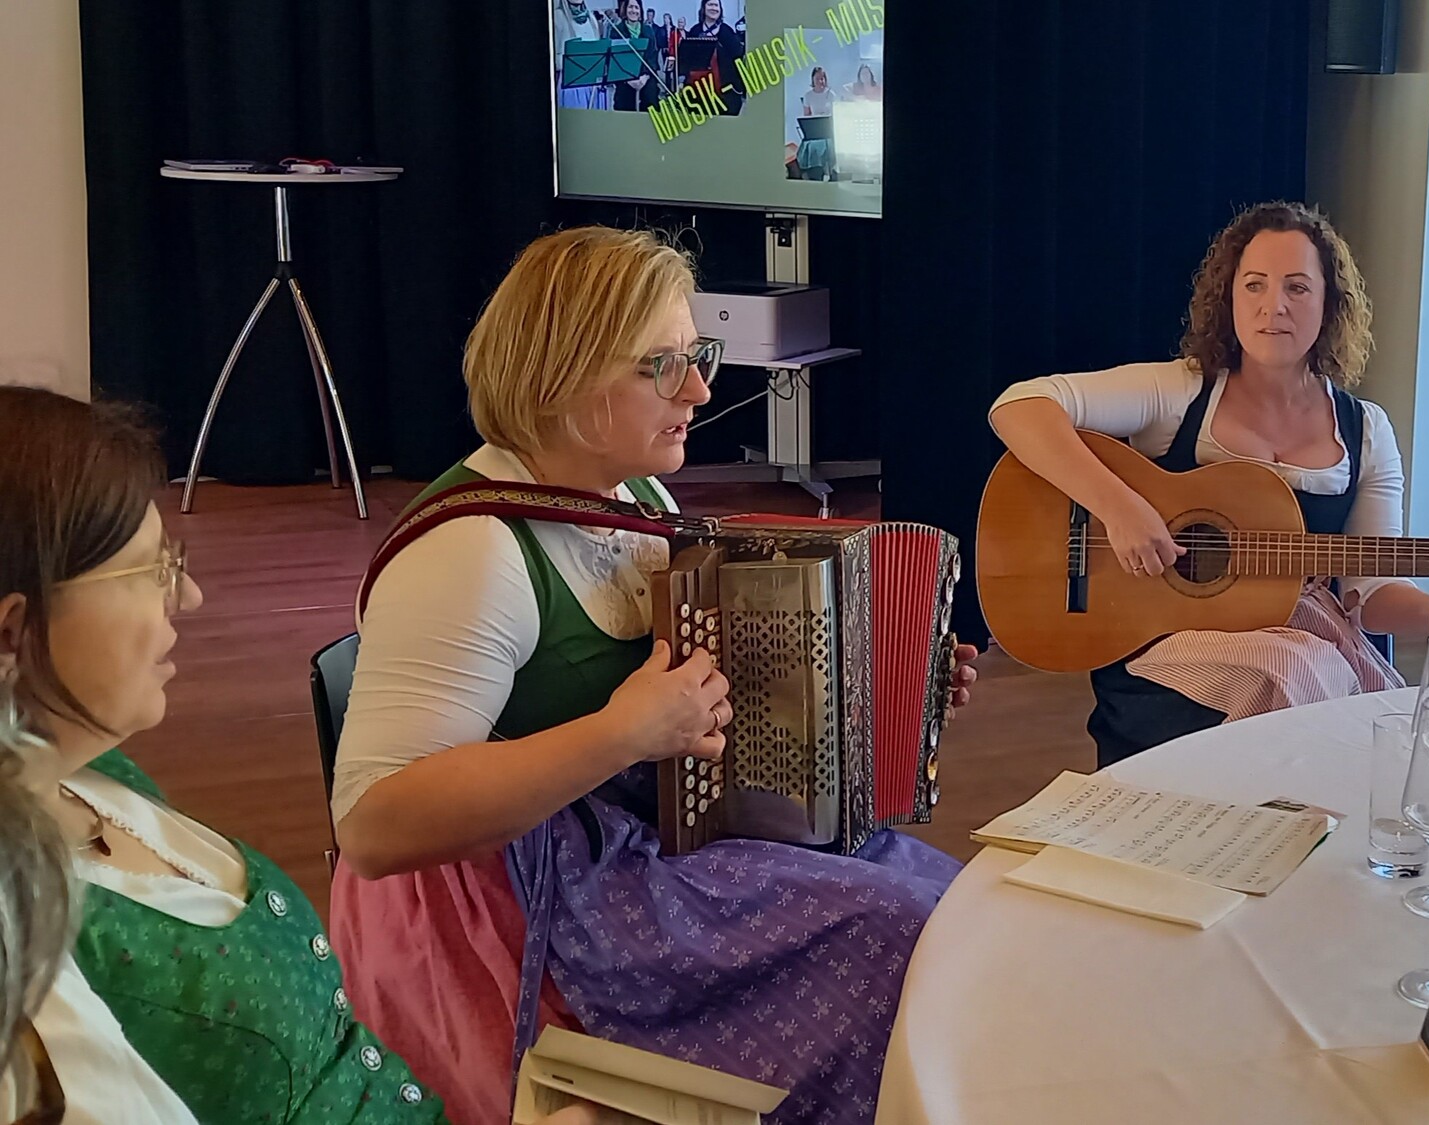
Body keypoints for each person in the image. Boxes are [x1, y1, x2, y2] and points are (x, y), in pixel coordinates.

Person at [330, 226, 977, 1125]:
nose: (701, 391)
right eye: (662, 366)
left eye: (696, 356)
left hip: (644, 829)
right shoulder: (470, 553)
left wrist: (883, 680)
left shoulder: (637, 495)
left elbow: (703, 689)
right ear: (562, 377)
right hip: (527, 896)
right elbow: (373, 826)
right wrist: (624, 732)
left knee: (957, 908)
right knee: (896, 937)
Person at [0, 386, 449, 1122]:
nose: (189, 596)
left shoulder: (89, 769)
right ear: (11, 633)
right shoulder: (29, 959)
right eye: (148, 572)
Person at [989, 201, 1429, 767]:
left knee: (1306, 662)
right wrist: (1120, 507)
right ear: (1228, 297)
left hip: (1303, 640)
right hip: (1170, 639)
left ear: (1330, 303)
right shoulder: (1180, 392)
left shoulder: (1365, 430)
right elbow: (1019, 407)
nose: (1273, 306)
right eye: (1254, 285)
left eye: (1297, 288)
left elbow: (1371, 594)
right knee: (1295, 666)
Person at [685, 0, 744, 114]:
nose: (714, 8)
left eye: (716, 5)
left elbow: (737, 56)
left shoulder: (727, 31)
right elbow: (687, 59)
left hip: (723, 89)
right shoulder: (695, 31)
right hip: (699, 88)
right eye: (710, 4)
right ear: (704, 8)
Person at [606, 0, 661, 112]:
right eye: (630, 7)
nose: (633, 10)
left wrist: (644, 77)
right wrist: (629, 79)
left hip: (645, 76)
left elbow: (652, 56)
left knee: (651, 101)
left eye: (636, 7)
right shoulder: (617, 31)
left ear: (640, 11)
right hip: (625, 78)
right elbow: (615, 59)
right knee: (624, 103)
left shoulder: (648, 30)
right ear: (625, 9)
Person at [553, 0, 606, 110]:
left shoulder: (590, 17)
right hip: (572, 83)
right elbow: (553, 56)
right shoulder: (558, 16)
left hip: (593, 82)